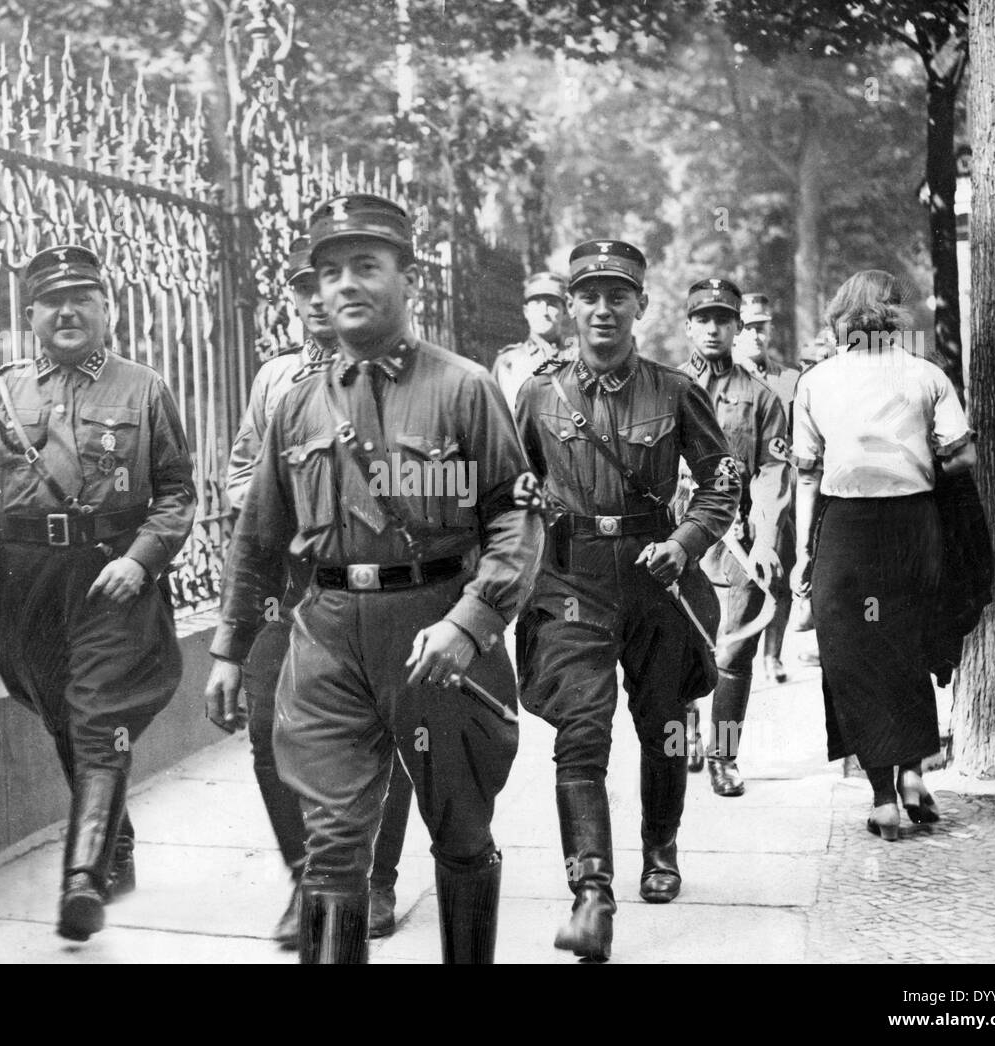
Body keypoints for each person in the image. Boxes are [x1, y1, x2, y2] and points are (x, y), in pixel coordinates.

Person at [204, 194, 541, 964]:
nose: (346, 284)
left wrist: (472, 622)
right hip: (325, 634)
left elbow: (516, 520)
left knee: (459, 833)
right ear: (315, 291)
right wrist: (229, 647)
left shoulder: (463, 389)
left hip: (439, 632)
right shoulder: (293, 406)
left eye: (366, 265)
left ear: (405, 279)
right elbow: (256, 539)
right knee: (330, 848)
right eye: (330, 272)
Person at [0, 245, 197, 941]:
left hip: (110, 576)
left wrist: (142, 560)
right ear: (32, 315)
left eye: (82, 299)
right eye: (51, 302)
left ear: (107, 310)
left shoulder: (144, 390)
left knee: (98, 716)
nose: (66, 312)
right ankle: (116, 841)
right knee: (65, 717)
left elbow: (177, 494)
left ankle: (83, 880)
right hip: (29, 582)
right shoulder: (3, 394)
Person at [515, 240, 739, 962]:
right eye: (590, 296)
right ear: (571, 306)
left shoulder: (675, 391)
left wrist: (685, 542)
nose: (603, 309)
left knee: (664, 725)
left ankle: (662, 845)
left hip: (655, 580)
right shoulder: (539, 393)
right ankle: (590, 891)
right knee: (582, 731)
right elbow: (511, 488)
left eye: (619, 296)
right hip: (572, 580)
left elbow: (721, 479)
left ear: (641, 305)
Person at [225, 236, 413, 948]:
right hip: (289, 586)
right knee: (269, 731)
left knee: (384, 734)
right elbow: (242, 471)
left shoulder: (394, 376)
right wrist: (278, 504)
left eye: (327, 285)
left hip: (372, 587)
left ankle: (378, 878)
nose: (315, 301)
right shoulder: (275, 380)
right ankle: (308, 876)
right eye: (304, 288)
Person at [791, 270, 975, 841]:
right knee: (908, 647)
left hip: (846, 528)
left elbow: (806, 473)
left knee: (851, 656)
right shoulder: (927, 375)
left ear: (842, 316)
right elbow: (961, 458)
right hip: (914, 525)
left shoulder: (817, 381)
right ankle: (915, 773)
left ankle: (880, 799)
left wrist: (802, 553)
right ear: (897, 316)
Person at [679, 278, 791, 797]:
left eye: (723, 320)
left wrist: (767, 539)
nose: (713, 329)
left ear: (736, 328)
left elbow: (772, 472)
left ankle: (724, 755)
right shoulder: (665, 386)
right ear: (688, 326)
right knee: (682, 646)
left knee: (735, 652)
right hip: (679, 537)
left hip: (740, 539)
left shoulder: (761, 397)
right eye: (703, 319)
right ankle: (687, 737)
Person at [736, 293, 802, 684]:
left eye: (761, 327)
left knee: (780, 569)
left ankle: (772, 656)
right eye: (746, 327)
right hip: (732, 490)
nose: (755, 336)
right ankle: (733, 653)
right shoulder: (721, 378)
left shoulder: (790, 380)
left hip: (778, 489)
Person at [490, 271, 577, 410]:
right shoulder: (508, 362)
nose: (544, 312)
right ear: (526, 311)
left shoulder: (576, 358)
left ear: (564, 311)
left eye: (552, 304)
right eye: (536, 303)